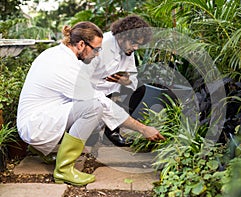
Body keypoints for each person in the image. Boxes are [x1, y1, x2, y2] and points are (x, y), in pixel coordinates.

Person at [17, 21, 165, 186]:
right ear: (81, 44)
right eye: (96, 50)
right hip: (35, 125)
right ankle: (64, 170)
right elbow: (101, 102)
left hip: (41, 115)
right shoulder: (64, 65)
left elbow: (131, 82)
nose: (97, 54)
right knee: (95, 107)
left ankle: (41, 149)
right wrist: (143, 129)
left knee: (94, 109)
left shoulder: (58, 54)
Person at [88, 15, 152, 147]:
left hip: (110, 90)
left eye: (139, 45)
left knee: (140, 89)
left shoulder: (128, 50)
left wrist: (126, 81)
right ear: (122, 35)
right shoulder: (102, 45)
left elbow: (132, 78)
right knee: (90, 140)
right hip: (91, 92)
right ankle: (93, 129)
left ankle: (112, 132)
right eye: (134, 43)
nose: (136, 48)